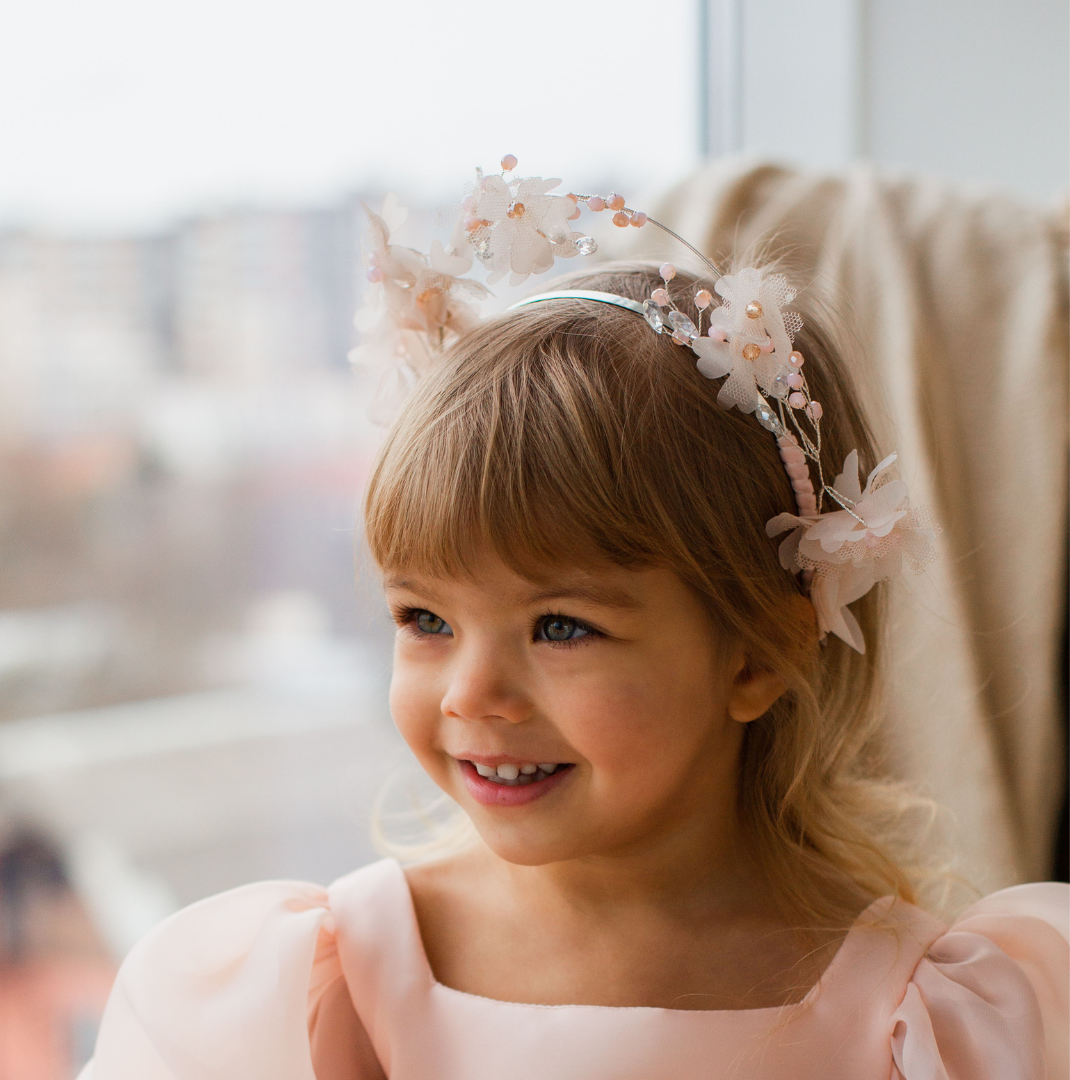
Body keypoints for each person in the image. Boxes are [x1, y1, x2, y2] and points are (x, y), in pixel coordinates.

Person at [80, 161, 1069, 1080]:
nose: (472, 693)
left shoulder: (932, 1018)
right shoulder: (318, 990)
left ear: (759, 651)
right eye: (426, 619)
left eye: (560, 628)